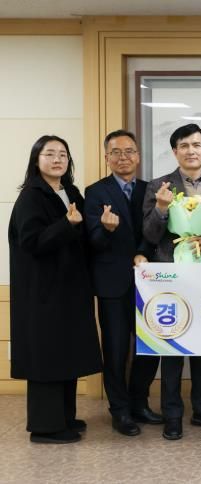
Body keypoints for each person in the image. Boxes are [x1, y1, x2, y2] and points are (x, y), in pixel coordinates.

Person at [9, 135, 102, 444]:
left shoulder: (70, 191)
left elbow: (83, 233)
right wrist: (66, 224)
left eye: (63, 154)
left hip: (70, 289)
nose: (57, 159)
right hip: (43, 293)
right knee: (46, 355)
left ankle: (64, 417)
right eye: (49, 154)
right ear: (36, 160)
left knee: (66, 352)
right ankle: (45, 427)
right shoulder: (31, 196)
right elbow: (31, 242)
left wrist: (103, 227)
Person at [142, 124, 201, 440]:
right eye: (184, 145)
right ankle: (172, 414)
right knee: (172, 348)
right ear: (175, 151)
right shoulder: (158, 186)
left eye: (196, 145)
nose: (191, 151)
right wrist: (161, 208)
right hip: (169, 275)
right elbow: (150, 235)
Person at [84, 130, 162, 437]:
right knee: (115, 350)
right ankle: (119, 410)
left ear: (138, 156)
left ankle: (139, 403)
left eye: (129, 151)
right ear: (107, 158)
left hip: (148, 281)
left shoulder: (151, 189)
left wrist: (143, 252)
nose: (123, 157)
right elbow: (91, 241)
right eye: (115, 152)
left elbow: (156, 232)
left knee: (150, 347)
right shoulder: (95, 192)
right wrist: (105, 229)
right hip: (112, 283)